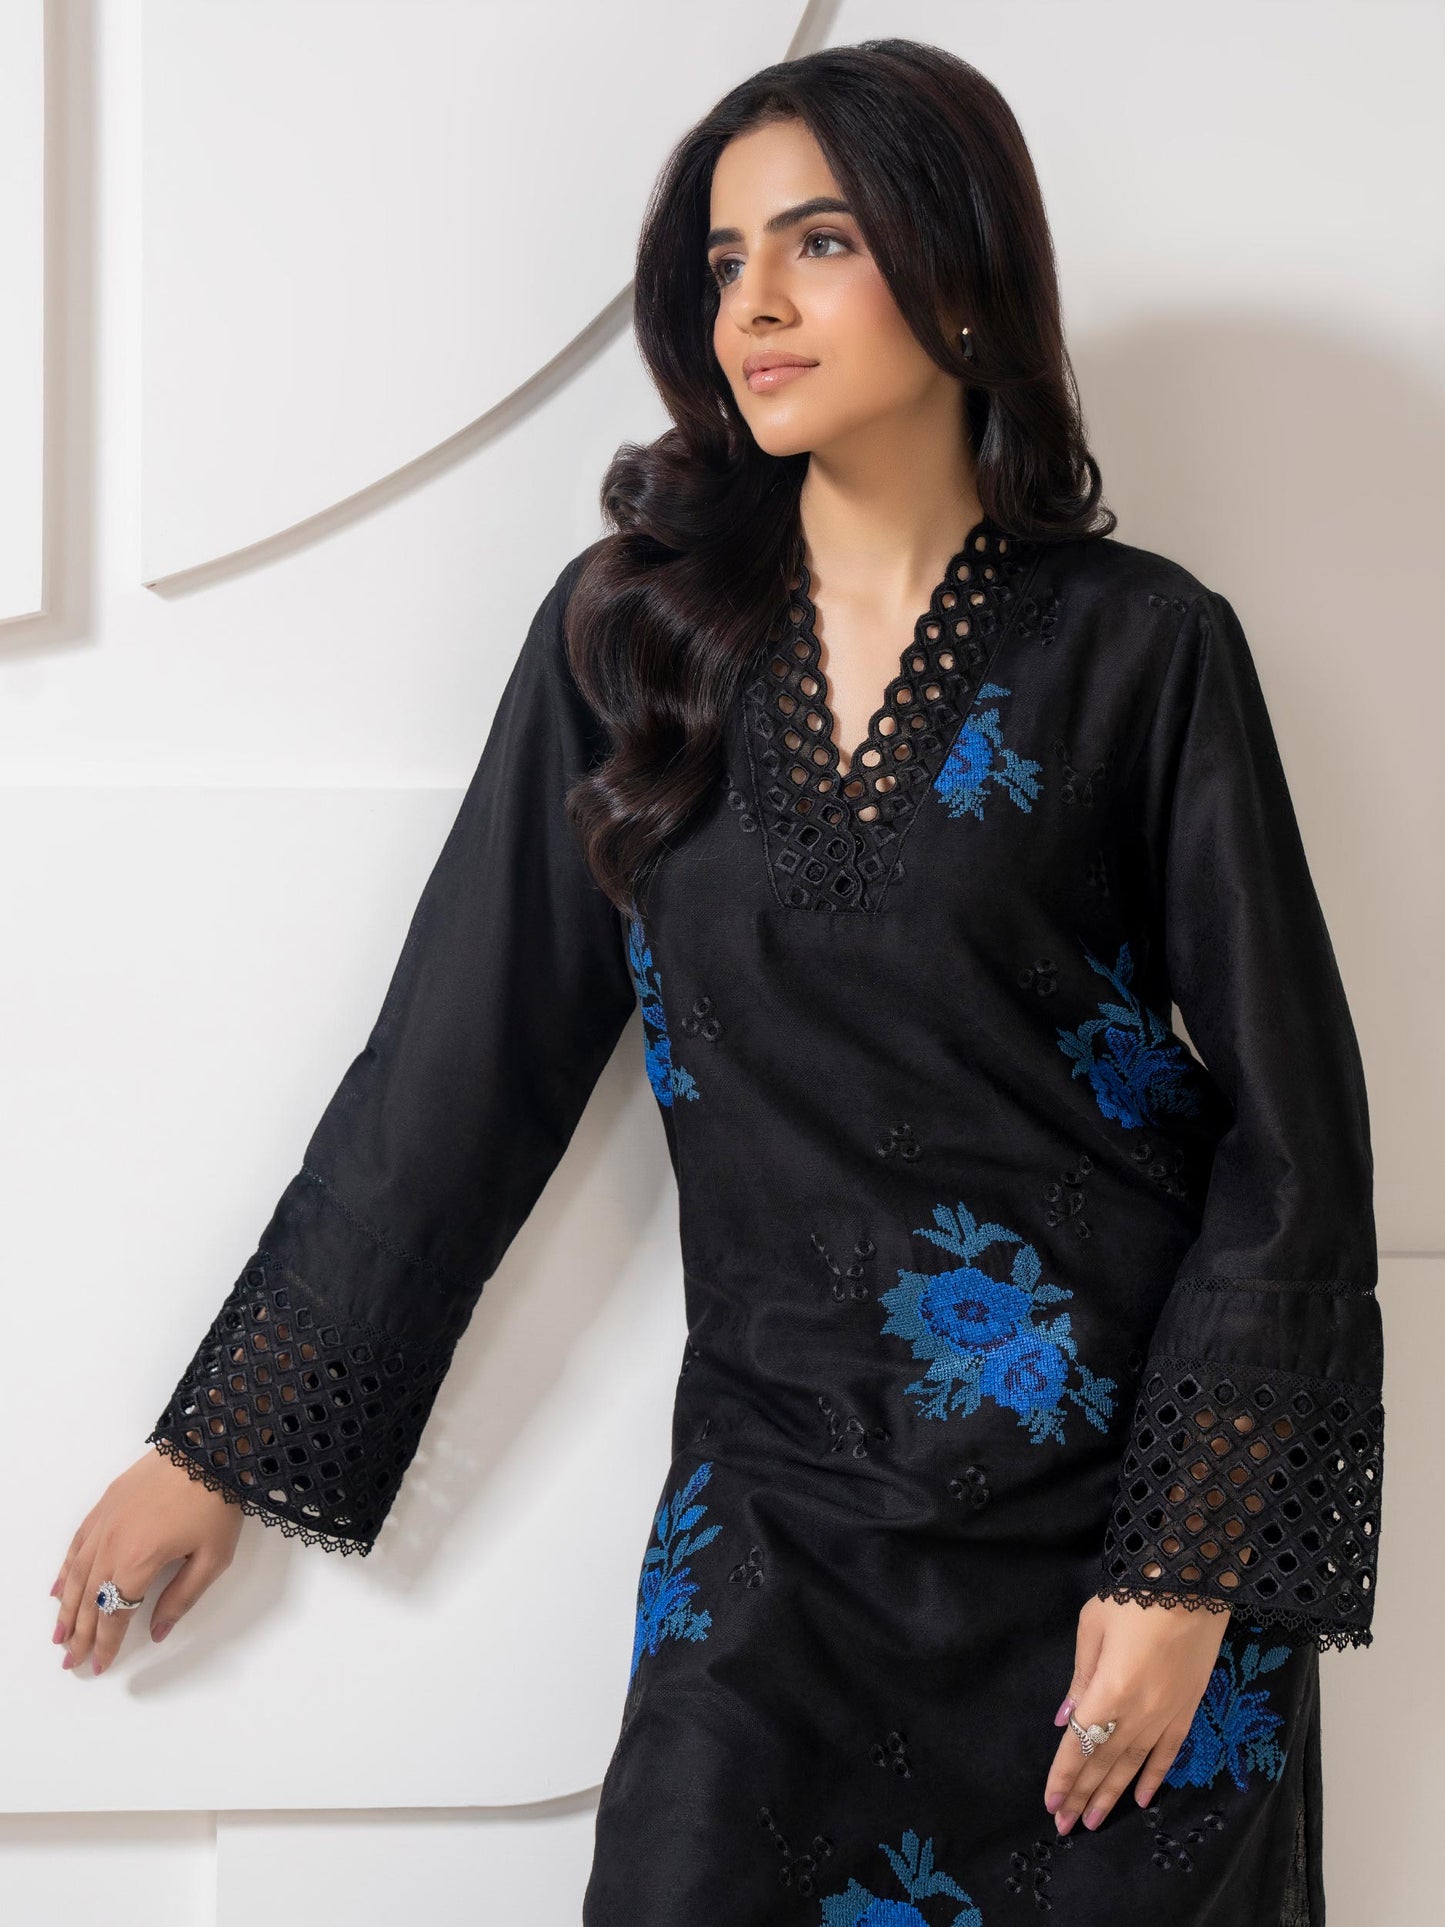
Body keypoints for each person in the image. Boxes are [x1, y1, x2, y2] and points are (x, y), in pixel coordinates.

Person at [50, 39, 1383, 1926]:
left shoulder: (1143, 648)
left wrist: (1190, 1565)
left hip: (1116, 1553)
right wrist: (220, 1446)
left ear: (960, 264)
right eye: (721, 260)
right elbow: (459, 1065)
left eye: (816, 242)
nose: (748, 303)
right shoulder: (632, 643)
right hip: (774, 1535)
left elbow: (1290, 1133)